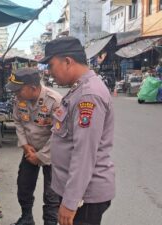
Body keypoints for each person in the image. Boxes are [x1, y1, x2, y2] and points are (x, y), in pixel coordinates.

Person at [39, 36, 115, 225]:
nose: (49, 72)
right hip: (77, 193)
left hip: (84, 198)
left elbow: (84, 154)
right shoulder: (78, 90)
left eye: (50, 65)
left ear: (67, 61)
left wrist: (71, 202)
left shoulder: (88, 96)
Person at [6, 68, 62, 225]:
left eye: (19, 90)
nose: (16, 94)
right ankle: (26, 217)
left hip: (52, 153)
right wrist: (24, 145)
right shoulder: (19, 99)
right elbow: (18, 122)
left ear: (33, 88)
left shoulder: (55, 101)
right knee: (23, 185)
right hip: (30, 150)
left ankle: (50, 222)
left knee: (52, 194)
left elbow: (58, 135)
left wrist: (40, 156)